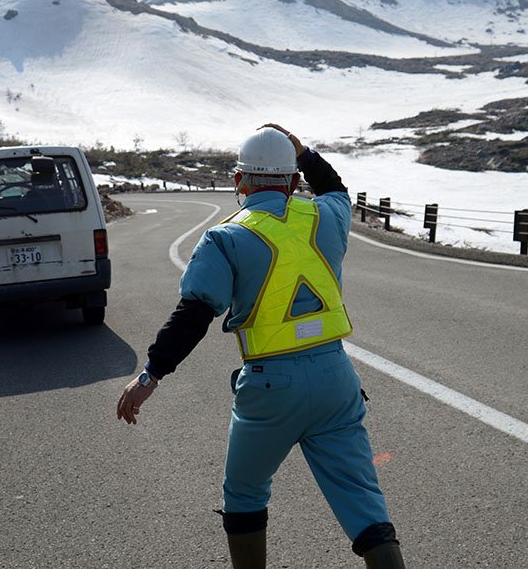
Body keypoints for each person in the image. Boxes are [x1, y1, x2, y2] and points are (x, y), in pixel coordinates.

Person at [116, 125, 405, 568]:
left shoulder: (225, 237)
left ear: (238, 182)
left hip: (271, 388)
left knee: (245, 494)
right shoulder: (325, 215)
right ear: (293, 181)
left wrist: (150, 374)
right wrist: (305, 153)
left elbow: (193, 315)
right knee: (362, 501)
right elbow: (336, 189)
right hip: (336, 378)